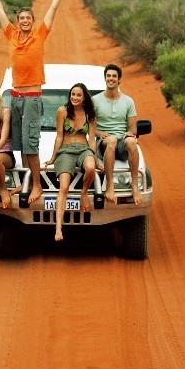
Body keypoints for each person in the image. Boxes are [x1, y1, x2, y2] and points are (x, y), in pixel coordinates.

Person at [0, 0, 75, 204]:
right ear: (17, 21)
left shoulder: (40, 34)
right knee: (19, 144)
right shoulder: (11, 34)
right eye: (20, 18)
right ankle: (26, 181)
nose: (24, 21)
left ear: (33, 21)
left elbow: (53, 7)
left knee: (31, 145)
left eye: (28, 18)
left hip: (31, 98)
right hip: (14, 98)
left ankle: (37, 185)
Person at [43, 83, 97, 241]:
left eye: (78, 95)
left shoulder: (90, 113)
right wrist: (53, 157)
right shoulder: (63, 111)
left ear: (84, 97)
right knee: (64, 187)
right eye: (73, 94)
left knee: (91, 168)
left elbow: (92, 139)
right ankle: (58, 228)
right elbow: (59, 135)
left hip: (83, 149)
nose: (75, 97)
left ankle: (84, 194)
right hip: (66, 150)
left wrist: (95, 157)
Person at [93, 62, 141, 204]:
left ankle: (134, 184)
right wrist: (99, 133)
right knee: (112, 140)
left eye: (114, 76)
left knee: (132, 141)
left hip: (122, 141)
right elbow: (90, 127)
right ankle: (109, 185)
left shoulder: (128, 101)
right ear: (105, 78)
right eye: (108, 76)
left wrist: (130, 133)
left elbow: (133, 128)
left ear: (119, 79)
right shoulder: (95, 100)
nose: (111, 78)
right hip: (105, 142)